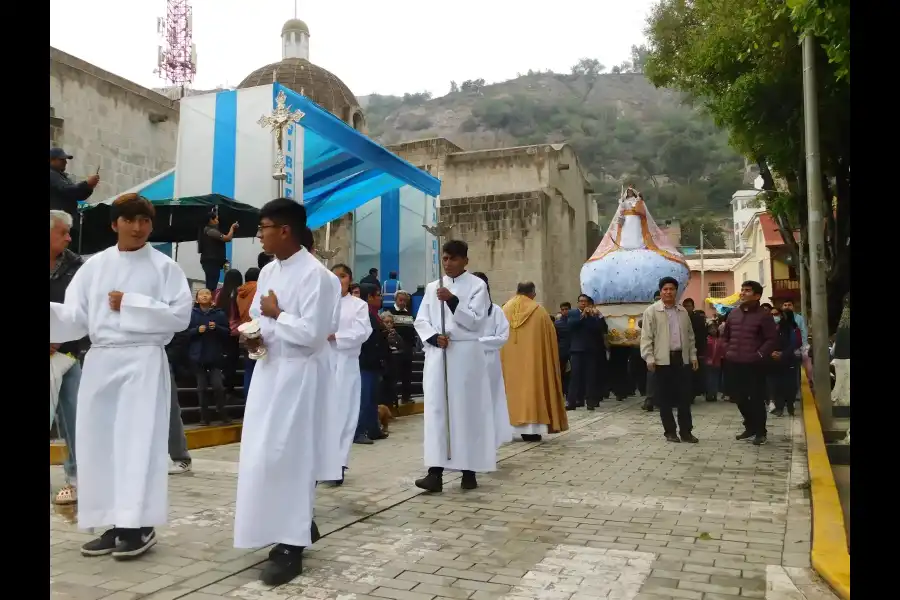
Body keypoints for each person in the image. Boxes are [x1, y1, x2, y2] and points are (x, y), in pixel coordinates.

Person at [50, 193, 193, 559]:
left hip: (143, 359)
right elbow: (75, 317)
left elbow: (179, 317)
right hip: (101, 360)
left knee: (138, 442)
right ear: (115, 224)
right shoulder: (94, 267)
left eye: (144, 220)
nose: (138, 227)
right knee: (100, 442)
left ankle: (138, 524)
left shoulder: (165, 268)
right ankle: (113, 521)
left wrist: (131, 302)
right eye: (130, 219)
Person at [233, 198, 340, 585]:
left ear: (285, 230)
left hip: (299, 377)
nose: (258, 234)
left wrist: (278, 315)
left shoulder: (319, 277)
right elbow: (262, 320)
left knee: (289, 456)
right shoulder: (267, 273)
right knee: (262, 455)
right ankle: (290, 524)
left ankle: (290, 547)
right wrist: (254, 337)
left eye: (263, 227)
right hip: (268, 372)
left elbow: (314, 336)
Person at [413, 240, 495, 492]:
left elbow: (476, 322)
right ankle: (434, 472)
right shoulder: (432, 287)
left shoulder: (477, 286)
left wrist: (452, 301)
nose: (448, 264)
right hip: (440, 353)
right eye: (445, 259)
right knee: (438, 410)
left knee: (464, 411)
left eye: (454, 259)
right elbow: (422, 319)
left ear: (465, 261)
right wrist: (434, 338)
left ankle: (468, 470)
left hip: (465, 355)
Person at [501, 282, 569, 442]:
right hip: (534, 363)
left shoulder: (504, 310)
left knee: (511, 392)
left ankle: (510, 428)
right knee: (532, 390)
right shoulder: (539, 312)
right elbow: (550, 340)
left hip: (509, 363)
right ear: (532, 293)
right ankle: (531, 430)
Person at [50, 210, 87, 506]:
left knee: (75, 419)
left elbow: (86, 312)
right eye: (63, 232)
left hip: (69, 354)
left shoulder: (78, 267)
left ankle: (76, 480)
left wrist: (64, 338)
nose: (69, 237)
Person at [639, 277, 699, 443]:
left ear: (676, 291)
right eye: (665, 289)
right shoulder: (651, 311)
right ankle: (670, 432)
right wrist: (649, 357)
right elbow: (646, 337)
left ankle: (686, 432)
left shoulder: (683, 312)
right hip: (662, 360)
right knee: (664, 398)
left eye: (671, 289)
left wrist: (693, 355)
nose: (668, 292)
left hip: (682, 359)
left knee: (684, 398)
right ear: (660, 292)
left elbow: (690, 336)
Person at [327, 264, 372, 481]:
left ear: (350, 279)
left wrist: (337, 336)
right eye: (334, 276)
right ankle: (321, 462)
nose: (338, 280)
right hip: (324, 362)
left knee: (344, 412)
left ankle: (338, 464)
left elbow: (363, 331)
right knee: (324, 413)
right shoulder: (322, 303)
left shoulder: (358, 305)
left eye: (343, 276)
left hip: (346, 362)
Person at [723, 280, 778, 446]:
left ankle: (761, 432)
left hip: (754, 364)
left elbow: (771, 339)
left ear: (757, 295)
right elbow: (725, 336)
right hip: (734, 362)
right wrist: (727, 351)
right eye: (742, 289)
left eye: (747, 290)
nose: (743, 293)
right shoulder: (733, 314)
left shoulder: (764, 315)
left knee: (756, 398)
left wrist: (760, 354)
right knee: (738, 397)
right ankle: (750, 426)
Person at [472, 272, 513, 449]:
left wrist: (477, 343)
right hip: (467, 362)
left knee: (488, 402)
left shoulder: (495, 311)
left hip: (488, 362)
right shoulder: (461, 309)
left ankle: (489, 442)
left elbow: (502, 336)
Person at [188, 288, 232, 425]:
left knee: (218, 386)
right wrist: (196, 330)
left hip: (215, 356)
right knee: (201, 388)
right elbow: (184, 333)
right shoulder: (191, 314)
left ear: (211, 298)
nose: (204, 296)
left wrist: (217, 327)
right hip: (198, 356)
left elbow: (227, 332)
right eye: (201, 294)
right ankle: (204, 417)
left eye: (207, 293)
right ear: (197, 299)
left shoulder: (219, 314)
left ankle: (223, 414)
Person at [355, 284, 389, 444]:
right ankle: (360, 431)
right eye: (378, 295)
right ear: (369, 297)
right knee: (364, 399)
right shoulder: (364, 313)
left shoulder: (374, 314)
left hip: (375, 362)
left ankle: (373, 428)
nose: (380, 298)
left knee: (373, 399)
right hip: (365, 362)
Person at [50, 148, 99, 251]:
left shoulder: (60, 176)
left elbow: (77, 195)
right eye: (62, 160)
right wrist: (86, 184)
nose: (65, 162)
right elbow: (68, 190)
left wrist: (89, 187)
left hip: (66, 221)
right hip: (57, 223)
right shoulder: (52, 174)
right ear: (52, 160)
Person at [566, 294, 606, 411]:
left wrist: (597, 316)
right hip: (577, 350)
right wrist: (582, 316)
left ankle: (590, 402)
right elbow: (571, 326)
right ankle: (571, 401)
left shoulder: (593, 315)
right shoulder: (573, 313)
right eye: (581, 301)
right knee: (575, 377)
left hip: (590, 350)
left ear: (588, 303)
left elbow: (600, 329)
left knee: (591, 377)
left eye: (585, 302)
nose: (583, 303)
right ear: (578, 303)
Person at [214, 269, 244, 400]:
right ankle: (229, 390)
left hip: (219, 330)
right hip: (233, 332)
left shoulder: (218, 293)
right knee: (232, 360)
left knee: (222, 359)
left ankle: (219, 386)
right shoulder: (239, 293)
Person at [197, 209, 238, 291]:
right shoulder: (210, 231)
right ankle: (209, 301)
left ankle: (209, 301)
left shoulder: (207, 230)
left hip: (211, 261)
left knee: (212, 284)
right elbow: (227, 238)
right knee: (212, 285)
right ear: (210, 220)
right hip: (211, 261)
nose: (217, 220)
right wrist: (232, 228)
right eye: (215, 219)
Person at [770, 309, 802, 416]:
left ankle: (790, 406)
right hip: (776, 361)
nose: (775, 317)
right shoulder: (773, 328)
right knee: (777, 385)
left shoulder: (790, 329)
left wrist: (782, 354)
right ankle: (779, 408)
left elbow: (793, 344)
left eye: (777, 315)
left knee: (789, 385)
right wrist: (772, 352)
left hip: (789, 361)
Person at [387, 290, 416, 403]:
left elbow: (412, 331)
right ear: (396, 300)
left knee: (407, 374)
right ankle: (392, 399)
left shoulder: (409, 313)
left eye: (405, 300)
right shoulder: (390, 312)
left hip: (407, 348)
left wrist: (413, 346)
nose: (403, 302)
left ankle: (406, 397)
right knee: (394, 375)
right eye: (401, 300)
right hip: (395, 349)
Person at [235, 267, 261, 392]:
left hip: (244, 332)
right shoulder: (258, 289)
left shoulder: (240, 292)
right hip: (256, 331)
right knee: (259, 368)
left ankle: (247, 396)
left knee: (248, 368)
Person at [704, 323, 726, 402]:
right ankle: (709, 394)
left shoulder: (719, 340)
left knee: (715, 379)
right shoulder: (707, 339)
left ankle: (714, 394)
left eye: (715, 328)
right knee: (709, 379)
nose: (713, 330)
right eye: (711, 329)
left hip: (717, 362)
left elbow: (722, 351)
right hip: (708, 362)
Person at [555, 302, 572, 396]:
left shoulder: (574, 320)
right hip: (562, 350)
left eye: (567, 309)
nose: (565, 311)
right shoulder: (557, 323)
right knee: (561, 371)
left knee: (574, 372)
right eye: (563, 309)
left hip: (573, 348)